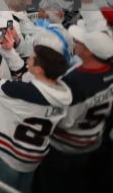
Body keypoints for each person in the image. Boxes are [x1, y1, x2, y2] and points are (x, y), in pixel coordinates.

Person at [0, 44, 71, 193]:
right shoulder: (63, 93)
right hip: (34, 155)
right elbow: (25, 75)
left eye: (31, 58)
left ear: (39, 70)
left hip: (8, 155)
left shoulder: (23, 92)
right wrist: (10, 51)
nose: (27, 60)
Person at [37, 24, 113, 189]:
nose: (75, 42)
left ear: (90, 51)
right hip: (93, 140)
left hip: (66, 150)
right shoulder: (108, 72)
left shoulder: (75, 83)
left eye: (80, 42)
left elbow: (64, 121)